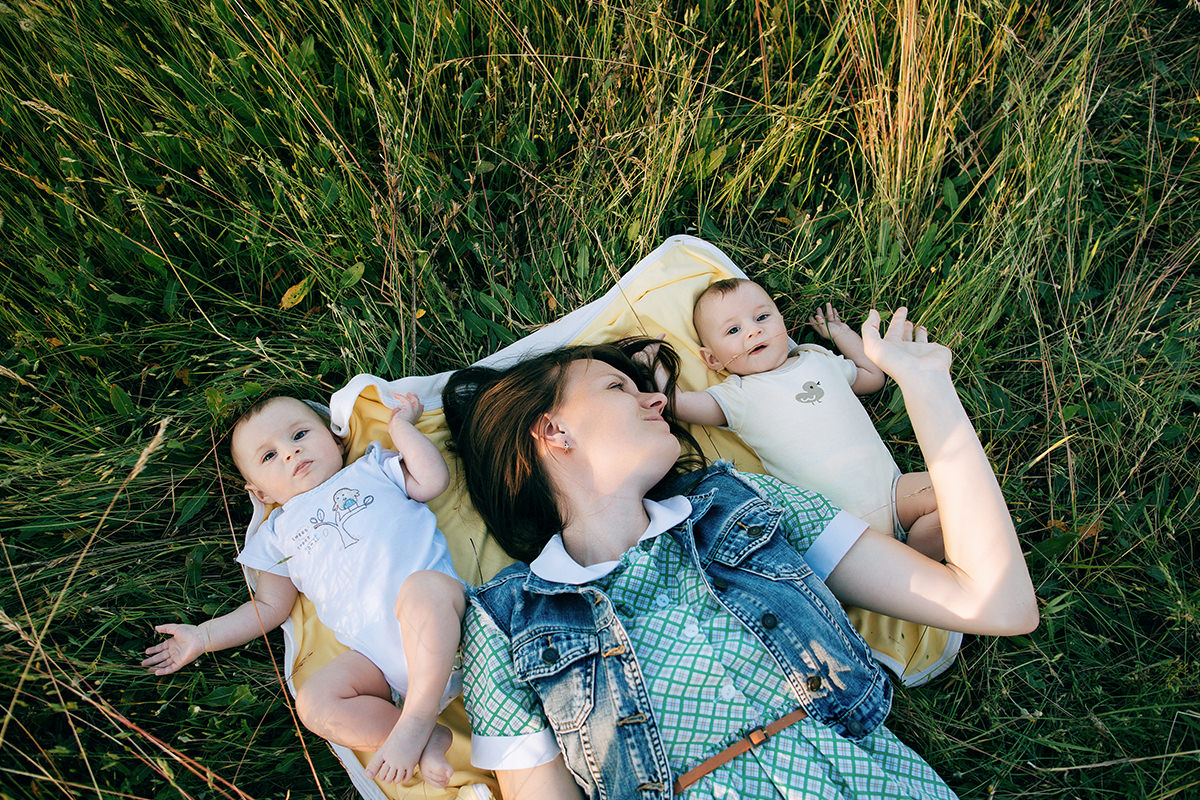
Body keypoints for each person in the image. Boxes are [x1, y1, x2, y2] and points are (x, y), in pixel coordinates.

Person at [441, 308, 1037, 799]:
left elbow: (998, 604)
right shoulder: (504, 623)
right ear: (554, 432)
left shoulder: (743, 504)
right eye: (618, 388)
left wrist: (927, 386)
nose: (657, 402)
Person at [142, 394, 466, 787]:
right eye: (269, 456)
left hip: (449, 623)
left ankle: (417, 722)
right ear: (261, 493)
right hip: (381, 666)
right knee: (314, 703)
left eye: (299, 434)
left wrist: (401, 428)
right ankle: (421, 735)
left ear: (336, 440)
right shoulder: (276, 534)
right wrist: (203, 636)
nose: (290, 452)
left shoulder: (372, 469)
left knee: (422, 589)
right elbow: (268, 606)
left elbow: (432, 480)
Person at [674, 277, 941, 558]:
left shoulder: (817, 358)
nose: (754, 331)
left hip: (892, 493)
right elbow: (681, 404)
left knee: (950, 495)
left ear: (781, 321)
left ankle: (917, 566)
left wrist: (841, 333)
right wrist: (655, 365)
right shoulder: (739, 395)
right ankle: (905, 571)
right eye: (733, 330)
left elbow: (872, 377)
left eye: (762, 317)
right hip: (835, 526)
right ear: (713, 360)